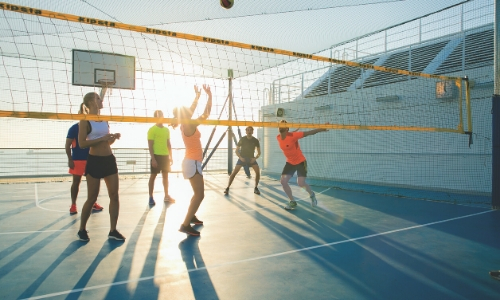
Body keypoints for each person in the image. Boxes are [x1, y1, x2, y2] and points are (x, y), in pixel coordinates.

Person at [77, 92, 125, 242]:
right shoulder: (85, 121)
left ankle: (113, 230)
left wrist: (112, 138)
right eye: (98, 98)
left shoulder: (104, 119)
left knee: (114, 195)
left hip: (109, 160)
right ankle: (82, 229)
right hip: (94, 161)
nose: (101, 100)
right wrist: (101, 139)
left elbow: (106, 142)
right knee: (92, 198)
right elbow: (82, 144)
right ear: (91, 102)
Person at [172, 84, 212, 236]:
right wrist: (209, 96)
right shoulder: (188, 124)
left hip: (191, 162)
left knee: (196, 194)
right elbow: (206, 113)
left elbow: (191, 109)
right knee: (200, 195)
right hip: (192, 163)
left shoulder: (185, 123)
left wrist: (197, 96)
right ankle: (185, 224)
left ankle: (191, 215)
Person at [277, 119, 327, 210]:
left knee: (300, 183)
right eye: (280, 125)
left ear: (287, 128)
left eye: (283, 125)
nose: (281, 126)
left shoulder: (294, 136)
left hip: (300, 161)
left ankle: (312, 194)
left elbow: (309, 133)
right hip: (290, 162)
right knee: (283, 182)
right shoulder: (278, 137)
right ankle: (292, 201)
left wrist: (322, 128)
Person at [65, 105, 104, 215]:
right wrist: (70, 159)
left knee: (93, 183)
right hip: (77, 159)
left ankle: (93, 203)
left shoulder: (92, 126)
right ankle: (73, 205)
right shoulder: (73, 128)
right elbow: (67, 145)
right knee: (76, 182)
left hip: (92, 158)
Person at [147, 110, 175, 206]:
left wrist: (171, 156)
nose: (161, 117)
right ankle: (150, 197)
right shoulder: (152, 129)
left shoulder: (167, 130)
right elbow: (150, 145)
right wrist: (153, 159)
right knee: (153, 176)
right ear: (155, 117)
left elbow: (168, 143)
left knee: (165, 177)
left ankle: (166, 196)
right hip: (156, 156)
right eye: (159, 116)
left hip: (165, 156)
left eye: (162, 115)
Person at [224, 126, 261, 195]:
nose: (249, 131)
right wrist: (240, 158)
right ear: (246, 131)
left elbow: (259, 153)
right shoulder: (242, 139)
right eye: (248, 130)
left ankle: (256, 188)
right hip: (242, 158)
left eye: (251, 130)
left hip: (251, 159)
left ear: (252, 132)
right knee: (234, 173)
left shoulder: (255, 140)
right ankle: (227, 187)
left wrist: (254, 159)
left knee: (258, 172)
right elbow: (236, 151)